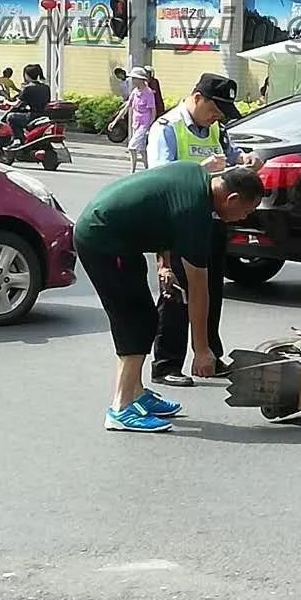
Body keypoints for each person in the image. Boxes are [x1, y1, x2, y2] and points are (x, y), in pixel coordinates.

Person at [73, 163, 266, 432]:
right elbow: (199, 288)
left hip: (120, 239)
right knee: (134, 321)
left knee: (148, 317)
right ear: (231, 198)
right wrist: (201, 350)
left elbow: (159, 211)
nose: (243, 218)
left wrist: (163, 263)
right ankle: (121, 408)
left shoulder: (196, 176)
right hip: (102, 240)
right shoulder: (195, 213)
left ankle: (137, 393)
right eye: (246, 210)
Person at [148, 72, 261, 388]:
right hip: (178, 223)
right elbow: (159, 181)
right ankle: (167, 363)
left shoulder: (216, 129)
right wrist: (200, 170)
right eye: (215, 108)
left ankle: (209, 354)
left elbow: (234, 156)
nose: (218, 116)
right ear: (198, 98)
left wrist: (248, 161)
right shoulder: (166, 129)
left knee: (210, 291)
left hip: (213, 221)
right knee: (176, 294)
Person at [109, 66, 157, 172]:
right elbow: (127, 106)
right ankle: (147, 169)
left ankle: (133, 171)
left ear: (141, 79)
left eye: (135, 78)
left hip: (144, 124)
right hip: (136, 123)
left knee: (132, 146)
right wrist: (115, 121)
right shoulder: (135, 92)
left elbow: (153, 111)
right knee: (141, 149)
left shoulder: (148, 93)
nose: (133, 81)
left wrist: (150, 126)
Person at [7, 64, 49, 141]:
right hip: (44, 114)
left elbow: (17, 104)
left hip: (32, 116)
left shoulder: (28, 88)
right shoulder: (46, 87)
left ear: (26, 75)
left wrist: (7, 102)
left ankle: (18, 140)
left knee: (11, 117)